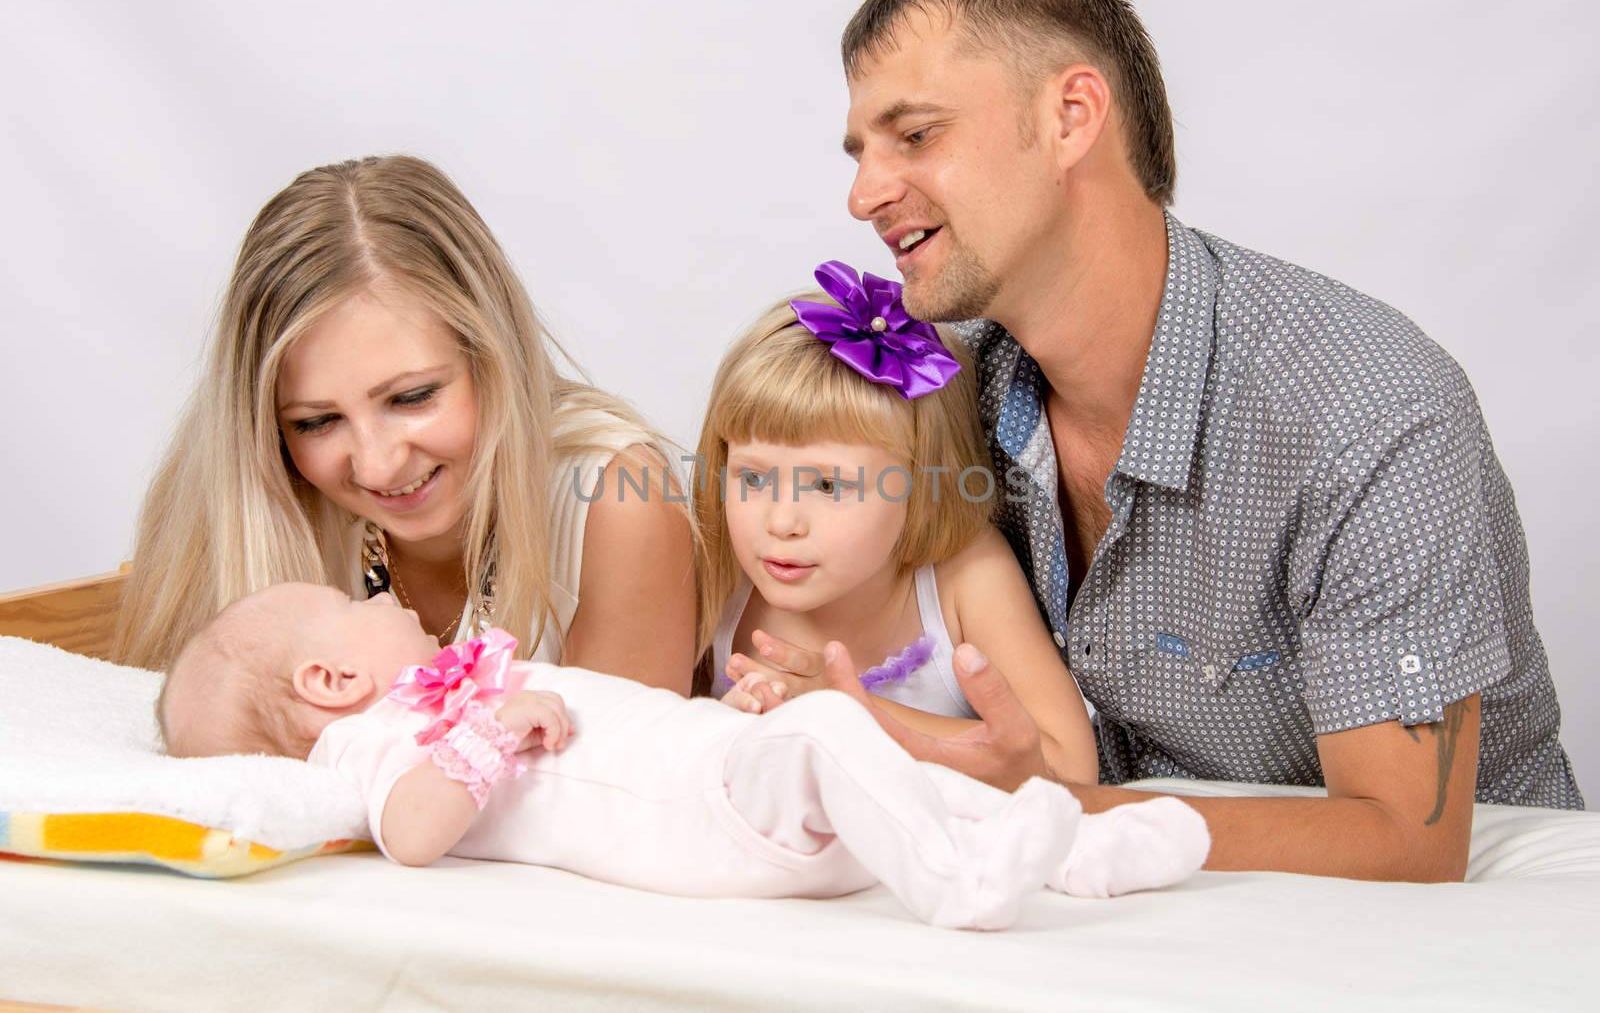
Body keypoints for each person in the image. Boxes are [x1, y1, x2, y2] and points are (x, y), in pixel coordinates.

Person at [735, 0, 1582, 882]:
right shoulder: (945, 394)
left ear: (1071, 117)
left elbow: (1406, 840)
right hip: (1109, 912)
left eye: (917, 135)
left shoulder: (1367, 407)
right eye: (861, 153)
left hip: (1441, 932)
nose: (864, 195)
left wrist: (1041, 803)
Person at [156, 582, 1211, 930]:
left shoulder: (430, 698)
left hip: (714, 769)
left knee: (860, 758)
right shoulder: (372, 742)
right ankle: (963, 883)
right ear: (329, 686)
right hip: (698, 819)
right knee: (834, 731)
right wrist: (492, 725)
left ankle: (1078, 854)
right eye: (355, 605)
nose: (387, 596)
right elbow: (415, 832)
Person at [113, 155, 696, 693]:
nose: (377, 463)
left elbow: (620, 788)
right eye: (316, 422)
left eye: (412, 397)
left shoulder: (614, 499)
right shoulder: (236, 504)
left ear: (494, 356)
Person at [694, 263, 1096, 784]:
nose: (782, 520)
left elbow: (1072, 768)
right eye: (752, 478)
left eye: (829, 487)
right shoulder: (713, 566)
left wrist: (845, 709)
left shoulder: (963, 577)